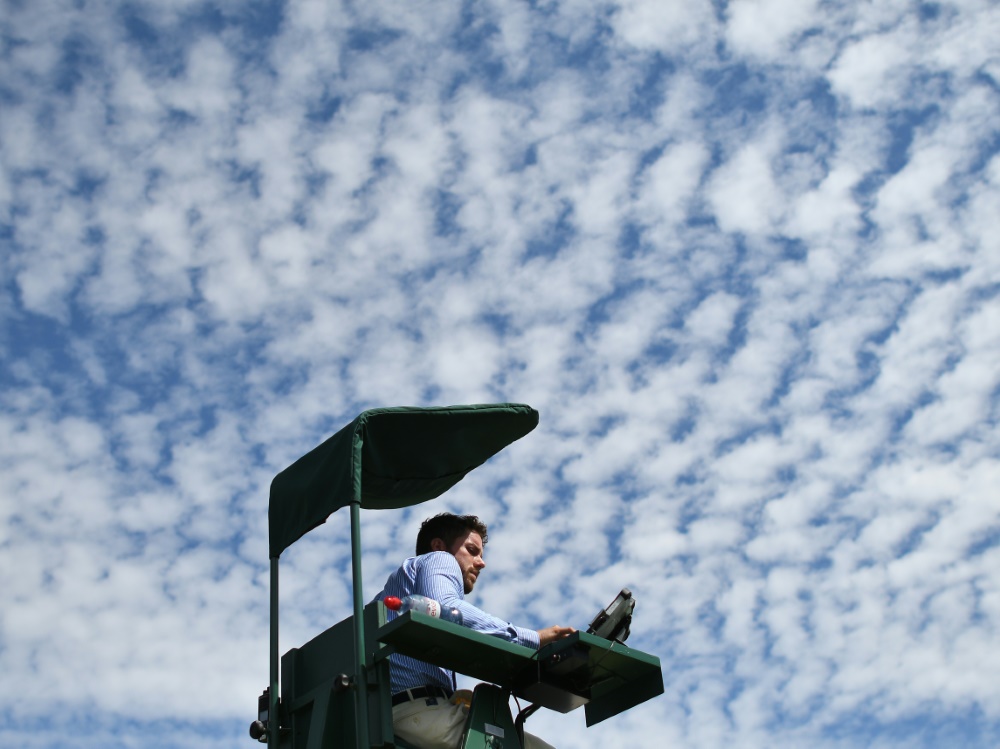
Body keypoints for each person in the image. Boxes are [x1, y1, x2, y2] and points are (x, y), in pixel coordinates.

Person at [373, 513, 575, 749]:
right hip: (417, 714)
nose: (481, 562)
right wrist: (534, 639)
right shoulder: (439, 558)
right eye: (472, 550)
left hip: (403, 715)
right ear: (438, 545)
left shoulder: (398, 590)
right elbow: (448, 609)